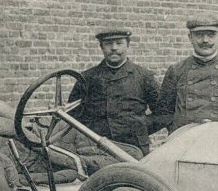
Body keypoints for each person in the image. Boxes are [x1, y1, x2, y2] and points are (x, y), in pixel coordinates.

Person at [67, 28, 160, 161]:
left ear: (128, 44)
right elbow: (72, 115)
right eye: (108, 43)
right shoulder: (87, 78)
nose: (114, 48)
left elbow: (163, 113)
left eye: (119, 43)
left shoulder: (144, 76)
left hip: (135, 147)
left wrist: (140, 127)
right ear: (101, 47)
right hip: (97, 148)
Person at [156, 17, 218, 133]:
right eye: (199, 35)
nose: (205, 40)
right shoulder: (176, 71)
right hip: (186, 140)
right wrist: (178, 132)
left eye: (211, 35)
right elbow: (165, 113)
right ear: (190, 38)